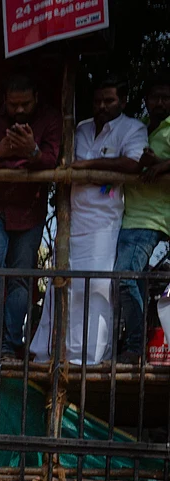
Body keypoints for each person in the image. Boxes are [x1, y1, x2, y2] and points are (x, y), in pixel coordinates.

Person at [32, 78, 148, 365]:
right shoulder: (80, 128)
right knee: (63, 282)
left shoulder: (133, 128)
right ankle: (53, 353)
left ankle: (91, 357)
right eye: (98, 101)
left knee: (96, 287)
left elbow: (132, 164)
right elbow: (71, 163)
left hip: (103, 224)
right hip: (72, 220)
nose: (102, 107)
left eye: (109, 101)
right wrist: (92, 170)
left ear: (122, 101)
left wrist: (85, 167)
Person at [0, 74, 61, 362]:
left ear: (36, 99)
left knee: (21, 278)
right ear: (4, 99)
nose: (19, 110)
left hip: (29, 211)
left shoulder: (52, 119)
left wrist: (32, 151)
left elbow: (53, 160)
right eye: (14, 104)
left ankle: (8, 347)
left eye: (25, 104)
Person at [113, 79, 170, 364]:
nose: (160, 102)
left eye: (166, 97)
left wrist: (161, 163)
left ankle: (135, 349)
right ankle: (123, 344)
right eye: (155, 97)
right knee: (122, 282)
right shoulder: (140, 126)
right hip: (124, 215)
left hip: (151, 219)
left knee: (125, 278)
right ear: (146, 99)